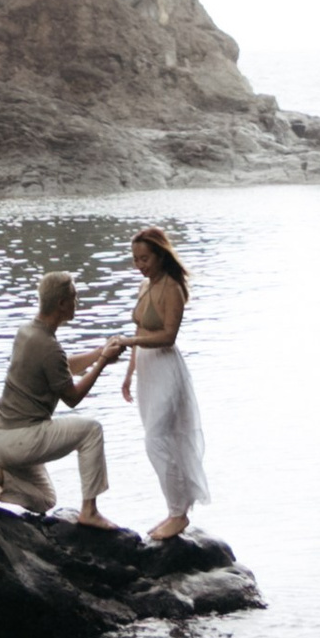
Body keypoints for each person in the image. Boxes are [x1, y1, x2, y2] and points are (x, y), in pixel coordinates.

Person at [0, 272, 125, 525]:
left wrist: (99, 353)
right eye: (74, 298)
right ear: (62, 304)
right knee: (91, 431)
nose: (77, 302)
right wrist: (102, 362)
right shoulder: (49, 346)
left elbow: (60, 369)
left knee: (45, 499)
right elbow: (72, 397)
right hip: (21, 439)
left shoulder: (26, 332)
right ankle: (89, 511)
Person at [114, 224, 207, 541]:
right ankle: (174, 509)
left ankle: (179, 514)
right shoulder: (145, 286)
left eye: (145, 259)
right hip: (146, 371)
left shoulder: (172, 288)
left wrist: (129, 342)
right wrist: (129, 373)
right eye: (135, 259)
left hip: (166, 370)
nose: (139, 265)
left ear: (161, 256)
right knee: (159, 438)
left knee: (157, 439)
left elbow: (168, 336)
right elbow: (141, 332)